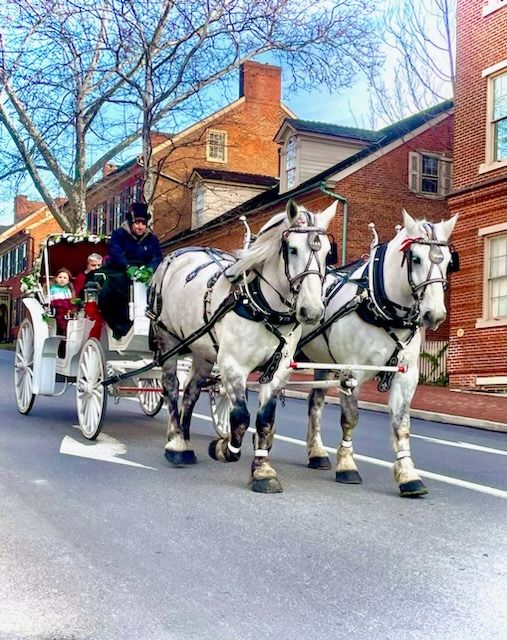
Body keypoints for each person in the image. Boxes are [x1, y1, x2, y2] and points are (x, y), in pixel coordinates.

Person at [96, 202, 162, 339]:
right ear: (131, 222)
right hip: (120, 268)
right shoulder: (119, 234)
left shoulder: (152, 239)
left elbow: (157, 256)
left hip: (144, 270)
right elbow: (115, 253)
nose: (140, 226)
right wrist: (127, 267)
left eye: (143, 223)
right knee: (116, 285)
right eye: (137, 223)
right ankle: (120, 324)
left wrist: (150, 269)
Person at [49, 267, 77, 335]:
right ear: (56, 278)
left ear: (68, 281)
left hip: (67, 311)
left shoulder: (68, 290)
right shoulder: (53, 289)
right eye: (60, 277)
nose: (62, 279)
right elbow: (51, 301)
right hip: (57, 311)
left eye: (65, 278)